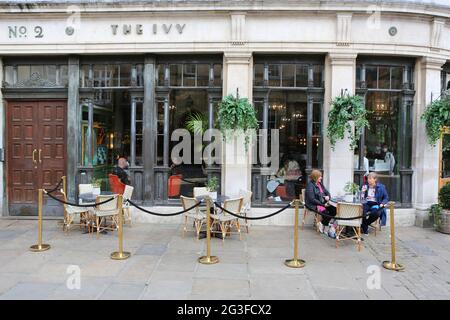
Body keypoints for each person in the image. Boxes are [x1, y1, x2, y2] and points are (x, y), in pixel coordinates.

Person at [305, 169, 336, 235]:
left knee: (334, 209)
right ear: (315, 177)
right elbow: (312, 199)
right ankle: (325, 226)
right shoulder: (310, 186)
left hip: (322, 203)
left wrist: (328, 197)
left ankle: (323, 223)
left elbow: (327, 192)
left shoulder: (320, 184)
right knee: (326, 212)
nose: (321, 178)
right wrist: (323, 205)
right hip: (313, 205)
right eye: (320, 176)